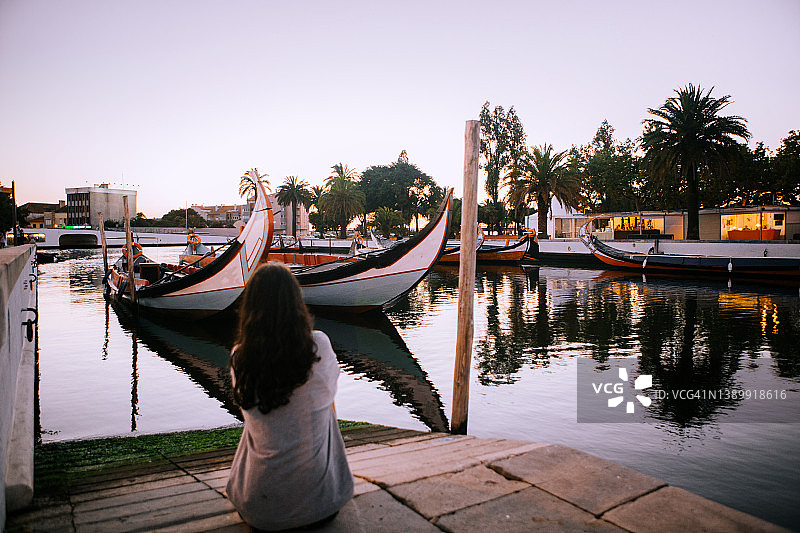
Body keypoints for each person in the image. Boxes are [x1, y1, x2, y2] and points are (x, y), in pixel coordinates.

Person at [227, 263, 353, 531]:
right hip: (321, 507)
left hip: (259, 512)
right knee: (325, 406)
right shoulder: (318, 344)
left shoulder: (240, 356)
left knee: (263, 420)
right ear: (297, 302)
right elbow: (329, 394)